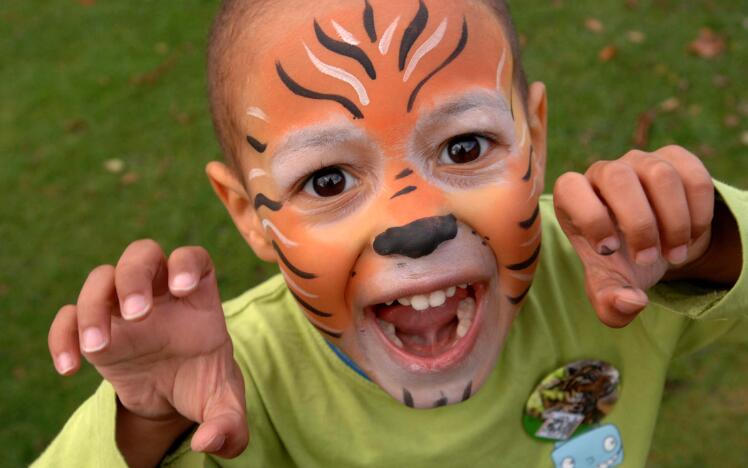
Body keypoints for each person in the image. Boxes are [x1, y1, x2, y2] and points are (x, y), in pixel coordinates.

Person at [35, 0, 746, 466]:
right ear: (249, 213)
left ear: (534, 137)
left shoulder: (616, 277)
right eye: (327, 181)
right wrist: (149, 426)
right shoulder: (227, 388)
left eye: (465, 148)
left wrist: (702, 240)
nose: (414, 224)